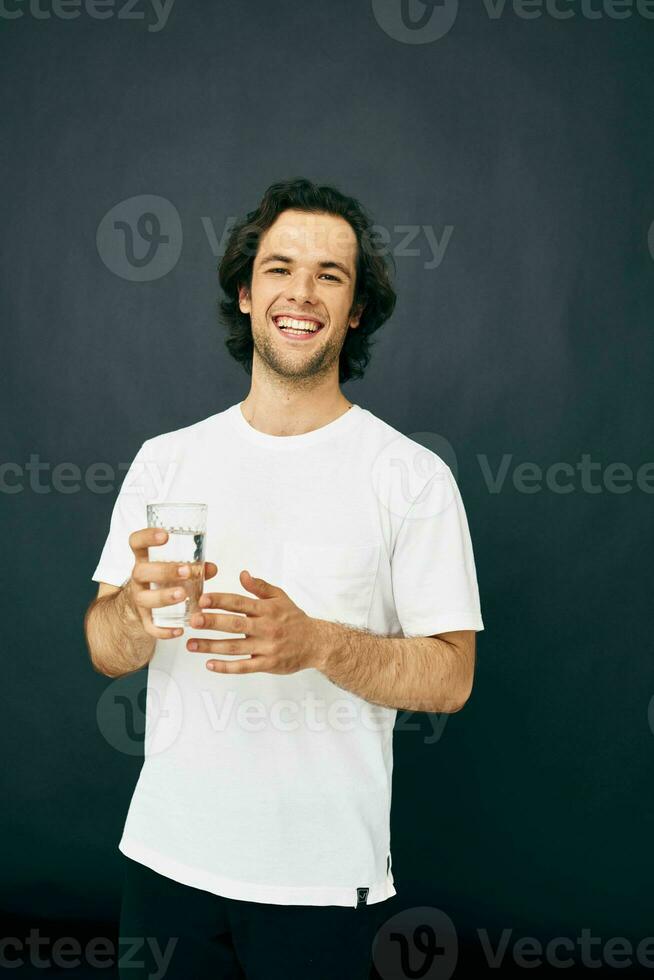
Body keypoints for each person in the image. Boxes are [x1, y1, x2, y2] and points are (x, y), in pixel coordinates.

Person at [84, 177, 485, 979]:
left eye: (330, 276)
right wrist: (131, 609)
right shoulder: (167, 460)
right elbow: (105, 648)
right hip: (166, 861)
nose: (301, 292)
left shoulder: (410, 476)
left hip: (322, 879)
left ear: (356, 310)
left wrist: (318, 643)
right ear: (244, 291)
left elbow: (451, 679)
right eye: (279, 268)